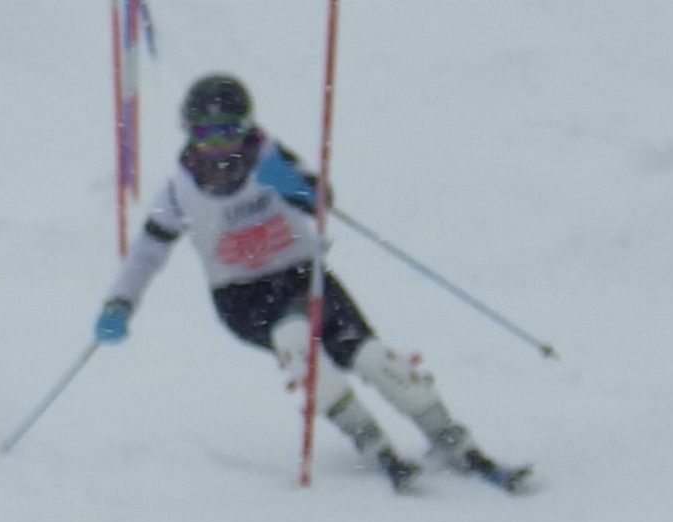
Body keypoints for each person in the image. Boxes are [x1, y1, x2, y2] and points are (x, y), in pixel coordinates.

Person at [94, 73, 529, 493]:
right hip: (242, 299)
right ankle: (369, 439)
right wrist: (120, 303)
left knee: (370, 356)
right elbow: (146, 253)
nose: (219, 148)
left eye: (229, 132)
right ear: (189, 135)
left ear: (246, 128)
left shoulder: (268, 157)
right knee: (297, 343)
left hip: (303, 277)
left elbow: (321, 197)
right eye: (206, 135)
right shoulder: (178, 192)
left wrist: (299, 187)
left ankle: (448, 436)